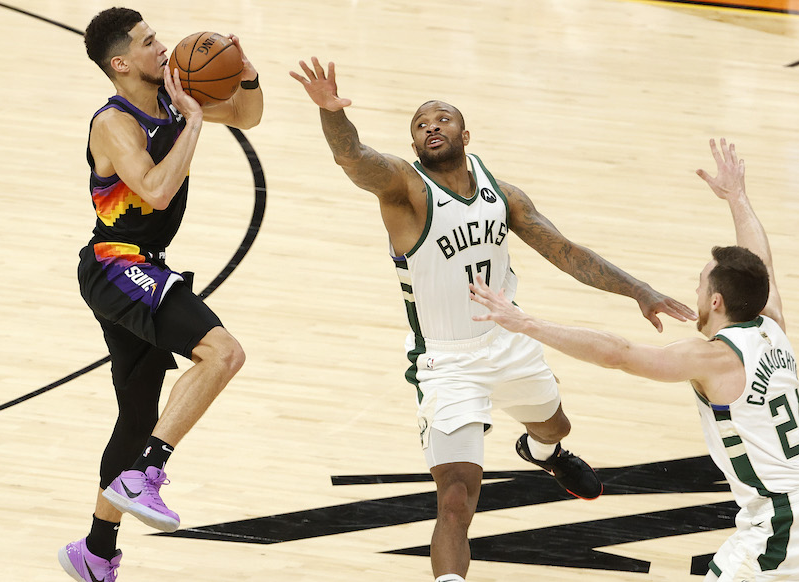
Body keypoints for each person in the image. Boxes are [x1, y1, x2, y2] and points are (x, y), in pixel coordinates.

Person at [289, 57, 695, 582]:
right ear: (414, 147)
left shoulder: (502, 194)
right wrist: (331, 114)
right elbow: (353, 157)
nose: (431, 126)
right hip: (448, 361)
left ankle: (543, 452)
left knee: (555, 425)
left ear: (465, 133)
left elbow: (566, 252)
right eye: (420, 124)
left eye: (442, 118)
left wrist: (639, 290)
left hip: (510, 340)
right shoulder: (405, 189)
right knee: (456, 498)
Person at [470, 139, 799, 581]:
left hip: (784, 523)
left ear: (718, 300)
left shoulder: (714, 357)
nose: (697, 291)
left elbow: (619, 355)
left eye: (702, 285)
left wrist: (526, 322)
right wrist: (737, 199)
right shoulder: (771, 325)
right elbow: (761, 265)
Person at [58, 8, 263, 582]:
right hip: (117, 264)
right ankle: (148, 471)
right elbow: (152, 189)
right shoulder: (114, 123)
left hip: (138, 267)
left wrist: (244, 73)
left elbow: (249, 115)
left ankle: (95, 550)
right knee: (223, 353)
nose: (163, 47)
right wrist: (194, 123)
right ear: (121, 63)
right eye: (149, 42)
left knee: (139, 413)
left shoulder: (173, 99)